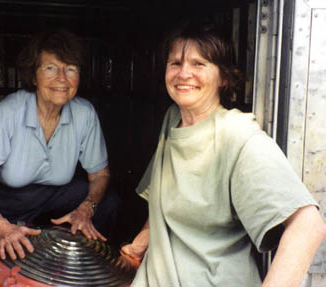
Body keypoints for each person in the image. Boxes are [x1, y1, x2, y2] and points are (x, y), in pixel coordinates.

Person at [120, 22, 326, 287]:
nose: (184, 74)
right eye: (175, 63)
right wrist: (143, 240)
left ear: (225, 77)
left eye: (199, 64)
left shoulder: (237, 135)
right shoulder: (173, 119)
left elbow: (307, 227)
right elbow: (163, 194)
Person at [0, 29, 119, 261]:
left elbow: (100, 175)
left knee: (108, 202)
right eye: (50, 68)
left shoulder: (84, 113)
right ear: (33, 77)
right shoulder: (8, 113)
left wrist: (86, 209)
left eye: (71, 69)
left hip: (53, 194)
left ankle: (86, 262)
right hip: (4, 198)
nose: (62, 79)